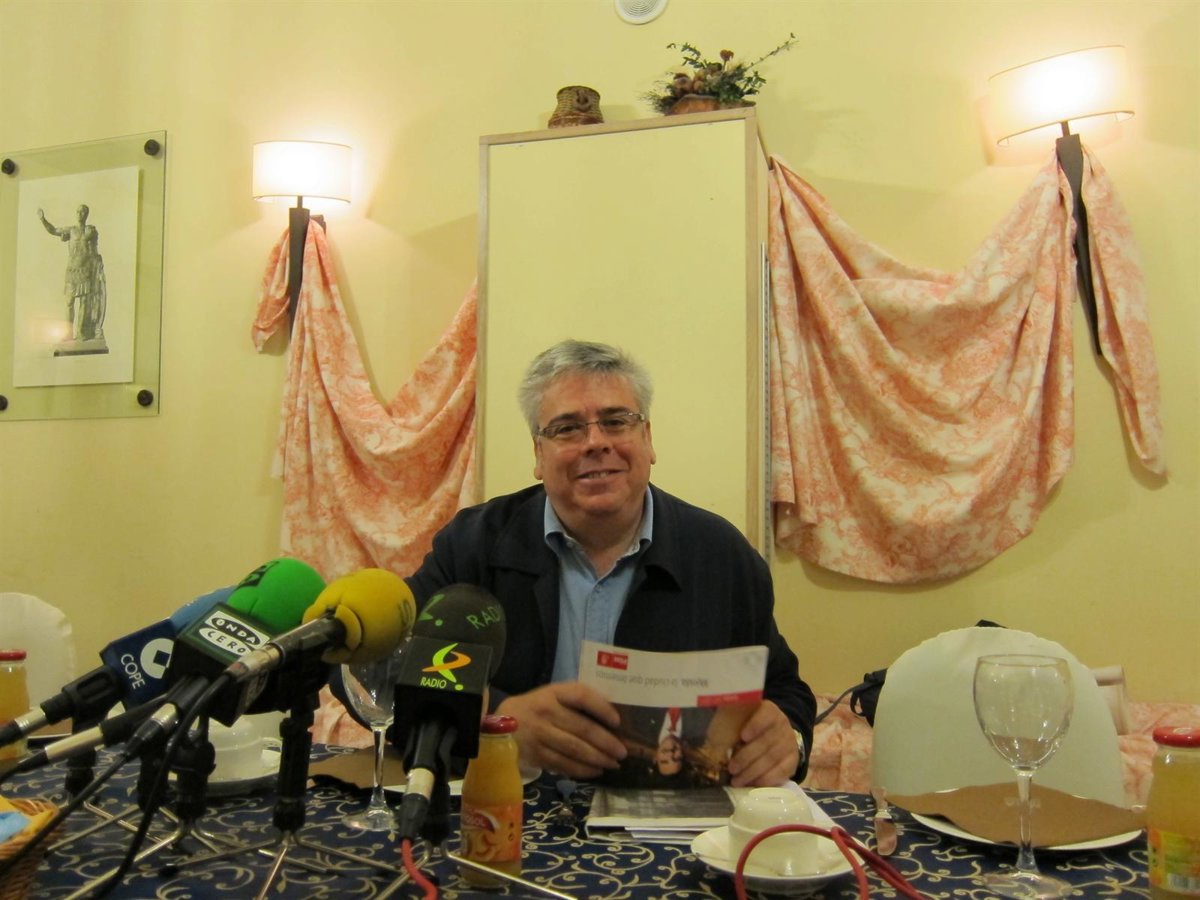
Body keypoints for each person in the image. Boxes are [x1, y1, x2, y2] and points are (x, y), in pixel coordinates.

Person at [406, 339, 816, 787]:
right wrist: (497, 720)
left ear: (648, 439)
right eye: (567, 429)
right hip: (504, 810)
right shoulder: (473, 544)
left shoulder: (722, 556)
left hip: (665, 822)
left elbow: (783, 689)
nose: (596, 443)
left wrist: (789, 738)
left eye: (617, 421)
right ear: (538, 454)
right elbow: (400, 666)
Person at [37, 204, 107, 343]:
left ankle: (81, 332)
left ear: (86, 214)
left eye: (83, 212)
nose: (80, 214)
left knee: (85, 302)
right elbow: (53, 230)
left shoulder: (90, 231)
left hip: (86, 271)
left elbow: (95, 250)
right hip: (72, 270)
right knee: (69, 302)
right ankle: (68, 333)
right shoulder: (71, 230)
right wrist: (43, 219)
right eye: (78, 211)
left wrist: (98, 265)